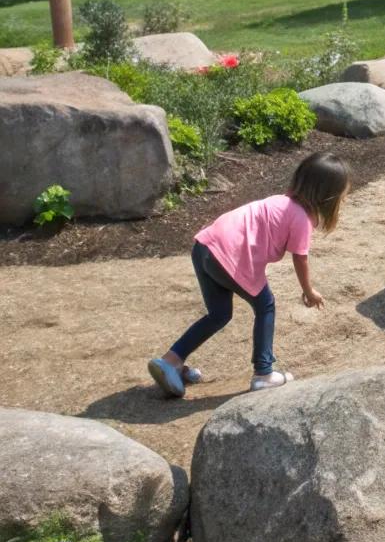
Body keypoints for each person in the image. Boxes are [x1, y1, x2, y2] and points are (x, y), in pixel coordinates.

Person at [147, 152, 350, 398]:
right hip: (229, 255)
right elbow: (300, 258)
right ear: (328, 195)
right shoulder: (301, 220)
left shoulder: (280, 201)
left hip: (205, 247)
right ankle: (263, 373)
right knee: (266, 306)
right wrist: (309, 291)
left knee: (219, 314)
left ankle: (171, 360)